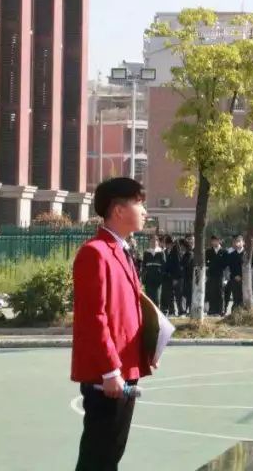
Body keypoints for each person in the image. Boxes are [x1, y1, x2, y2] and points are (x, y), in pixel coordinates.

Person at [71, 177, 154, 470]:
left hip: (124, 369)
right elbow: (94, 318)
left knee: (111, 452)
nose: (145, 211)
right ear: (118, 210)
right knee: (99, 456)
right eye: (139, 203)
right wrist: (109, 370)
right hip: (108, 375)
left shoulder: (120, 250)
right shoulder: (95, 253)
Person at [160, 235, 182, 317]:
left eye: (169, 243)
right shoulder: (165, 252)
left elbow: (178, 265)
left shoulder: (176, 251)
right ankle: (172, 311)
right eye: (166, 243)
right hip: (167, 277)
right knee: (169, 295)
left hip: (175, 276)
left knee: (178, 295)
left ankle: (181, 311)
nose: (167, 245)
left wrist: (176, 278)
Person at [205, 235, 225, 316]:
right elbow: (206, 262)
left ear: (219, 241)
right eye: (213, 240)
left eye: (216, 240)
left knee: (220, 292)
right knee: (211, 292)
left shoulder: (224, 251)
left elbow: (225, 264)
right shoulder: (208, 251)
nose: (214, 242)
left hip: (220, 275)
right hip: (211, 275)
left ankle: (220, 310)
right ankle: (212, 310)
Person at [141, 235, 163, 303]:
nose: (153, 242)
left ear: (157, 242)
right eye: (152, 241)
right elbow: (144, 266)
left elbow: (164, 265)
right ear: (149, 242)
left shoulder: (161, 252)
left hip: (157, 279)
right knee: (149, 298)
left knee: (157, 298)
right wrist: (143, 277)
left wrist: (161, 275)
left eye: (155, 241)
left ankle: (156, 312)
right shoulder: (146, 253)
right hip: (148, 279)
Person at [226, 236, 246, 311]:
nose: (236, 243)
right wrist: (235, 276)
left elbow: (249, 267)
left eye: (238, 241)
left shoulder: (247, 254)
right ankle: (235, 312)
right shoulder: (231, 255)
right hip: (234, 279)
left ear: (243, 242)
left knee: (243, 297)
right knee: (236, 296)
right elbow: (231, 268)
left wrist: (241, 276)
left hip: (245, 279)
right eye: (235, 241)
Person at [179, 237, 195, 315]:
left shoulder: (189, 254)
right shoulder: (186, 253)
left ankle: (189, 310)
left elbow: (184, 264)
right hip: (186, 277)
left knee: (189, 295)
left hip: (189, 278)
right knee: (186, 294)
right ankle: (186, 310)